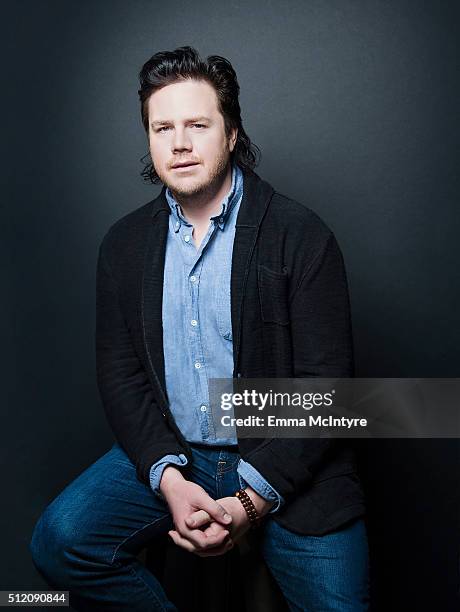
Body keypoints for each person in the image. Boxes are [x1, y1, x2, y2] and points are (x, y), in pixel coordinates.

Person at [30, 46, 370, 611]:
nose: (179, 143)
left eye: (197, 124)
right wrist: (168, 479)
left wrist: (248, 502)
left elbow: (327, 389)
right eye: (163, 127)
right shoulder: (124, 245)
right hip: (176, 454)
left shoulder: (301, 234)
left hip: (288, 461)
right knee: (60, 541)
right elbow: (122, 376)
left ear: (232, 133)